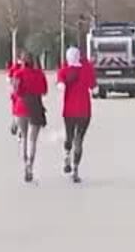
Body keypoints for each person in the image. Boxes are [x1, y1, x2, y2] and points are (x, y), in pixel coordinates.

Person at [57, 47, 96, 183]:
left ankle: (67, 155)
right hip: (84, 110)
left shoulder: (64, 71)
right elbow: (93, 87)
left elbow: (60, 87)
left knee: (69, 136)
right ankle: (75, 169)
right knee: (79, 139)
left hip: (69, 111)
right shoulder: (87, 69)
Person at [12, 52, 49, 183]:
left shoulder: (18, 74)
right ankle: (30, 166)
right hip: (35, 105)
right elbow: (45, 91)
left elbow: (15, 91)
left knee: (24, 137)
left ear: (22, 61)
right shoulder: (39, 74)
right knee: (32, 139)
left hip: (21, 105)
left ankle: (24, 163)